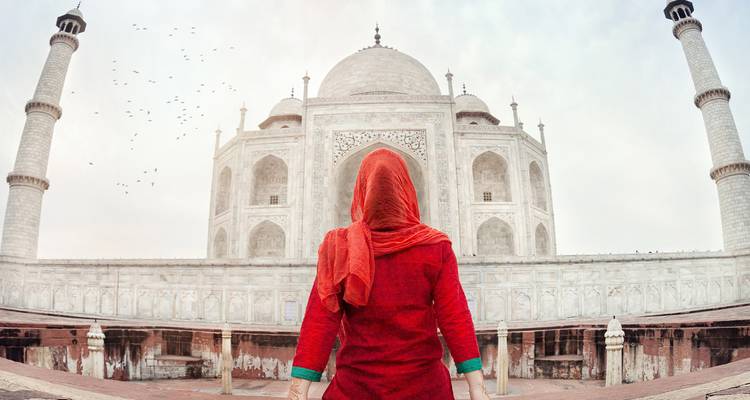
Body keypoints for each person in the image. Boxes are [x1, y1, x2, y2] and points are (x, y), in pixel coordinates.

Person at [287, 148, 490, 400]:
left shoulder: (341, 246)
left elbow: (320, 321)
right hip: (425, 388)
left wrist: (297, 393)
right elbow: (454, 317)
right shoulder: (435, 247)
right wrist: (477, 390)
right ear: (405, 190)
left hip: (357, 388)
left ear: (362, 191)